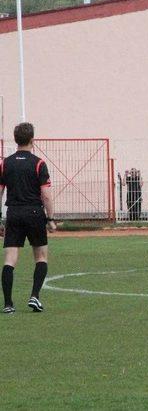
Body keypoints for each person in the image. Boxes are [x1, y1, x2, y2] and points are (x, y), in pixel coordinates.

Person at [0, 122, 56, 314]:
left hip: (13, 213)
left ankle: (8, 304)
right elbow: (46, 195)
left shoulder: (5, 163)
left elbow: (0, 192)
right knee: (41, 256)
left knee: (9, 259)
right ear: (32, 140)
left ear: (15, 140)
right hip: (34, 213)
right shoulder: (39, 163)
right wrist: (50, 219)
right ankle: (34, 296)